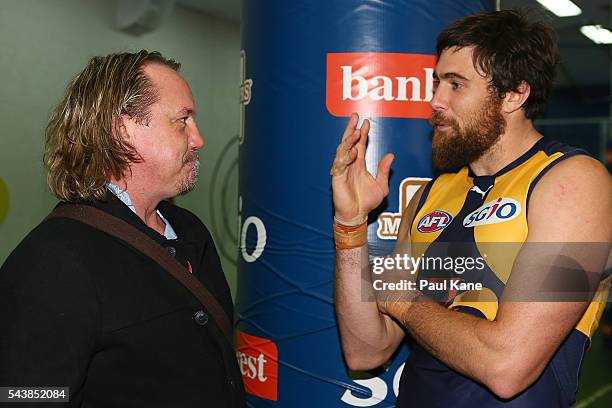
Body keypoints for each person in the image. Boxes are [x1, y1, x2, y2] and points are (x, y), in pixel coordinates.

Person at [331, 10, 611, 407]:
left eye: (455, 84)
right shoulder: (430, 196)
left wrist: (398, 298)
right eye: (436, 82)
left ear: (514, 94)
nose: (435, 101)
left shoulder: (572, 182)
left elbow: (507, 367)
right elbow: (366, 350)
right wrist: (350, 223)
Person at [0, 50, 245, 407]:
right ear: (123, 130)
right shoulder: (53, 262)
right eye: (183, 120)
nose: (198, 139)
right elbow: (23, 396)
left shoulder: (191, 231)